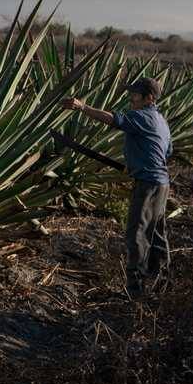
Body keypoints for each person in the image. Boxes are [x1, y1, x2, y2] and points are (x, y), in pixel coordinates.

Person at [62, 77, 173, 297]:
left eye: (135, 95)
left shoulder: (143, 116)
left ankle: (136, 292)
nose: (131, 98)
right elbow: (167, 152)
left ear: (149, 98)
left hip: (148, 185)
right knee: (156, 234)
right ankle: (164, 284)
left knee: (137, 234)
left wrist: (82, 107)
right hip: (161, 184)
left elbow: (114, 120)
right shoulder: (161, 120)